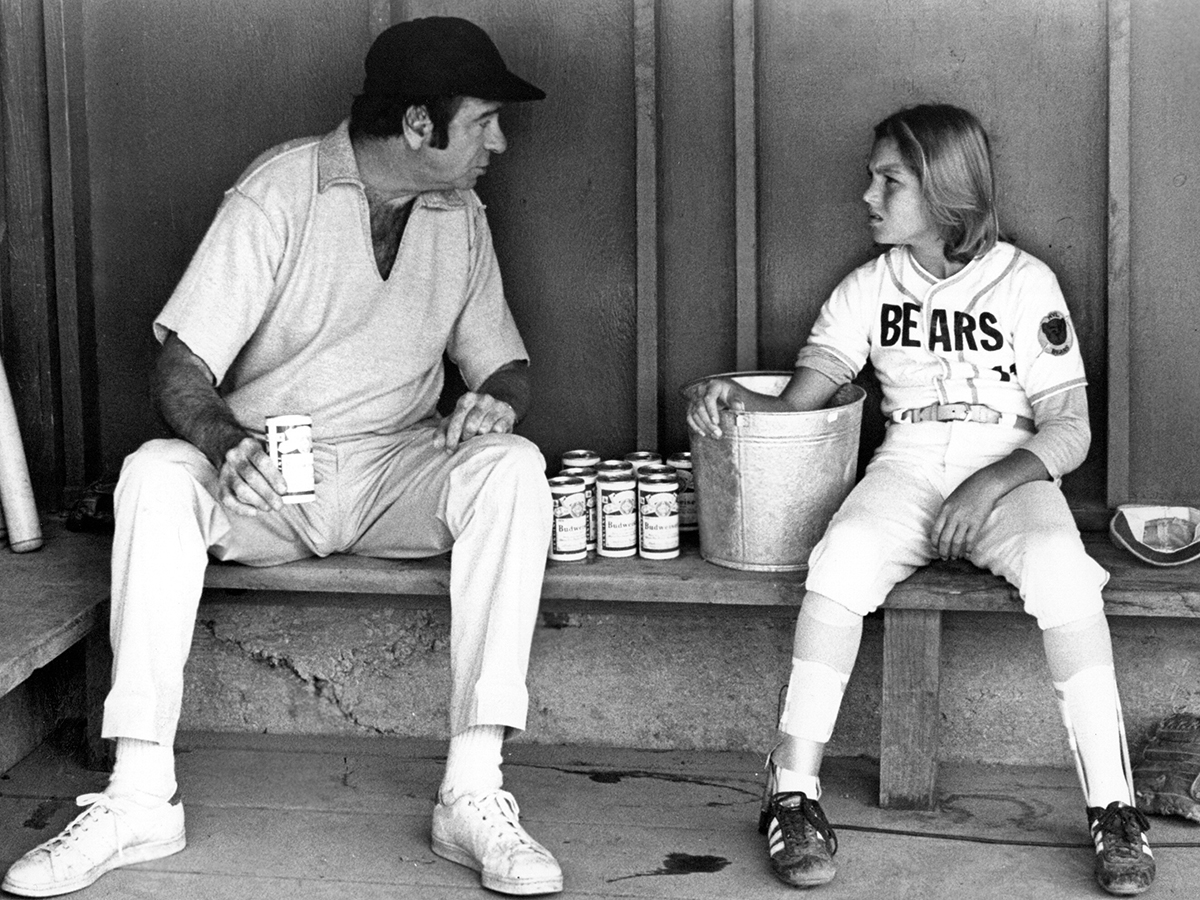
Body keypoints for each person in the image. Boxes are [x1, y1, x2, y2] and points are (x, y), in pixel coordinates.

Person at [3, 17, 563, 898]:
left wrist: (500, 399)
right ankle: (139, 793)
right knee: (154, 474)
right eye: (486, 118)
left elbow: (504, 361)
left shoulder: (459, 213)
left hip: (392, 473)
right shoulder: (281, 191)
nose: (500, 139)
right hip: (264, 479)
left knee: (514, 469)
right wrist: (228, 446)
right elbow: (181, 364)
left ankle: (473, 790)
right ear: (420, 124)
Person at [687, 104, 1156, 897]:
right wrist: (724, 394)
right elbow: (802, 398)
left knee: (1064, 574)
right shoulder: (869, 287)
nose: (869, 194)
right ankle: (791, 791)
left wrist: (993, 480)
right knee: (839, 560)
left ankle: (1114, 808)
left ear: (943, 188)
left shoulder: (1022, 280)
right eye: (873, 177)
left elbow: (1070, 429)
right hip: (907, 460)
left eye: (889, 179)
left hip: (1006, 467)